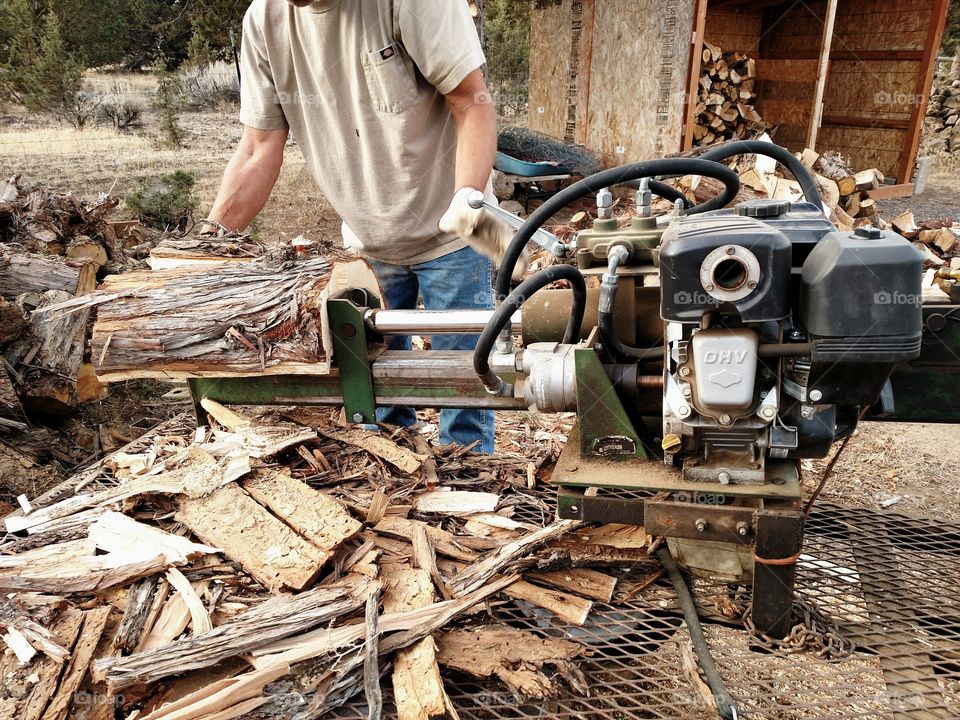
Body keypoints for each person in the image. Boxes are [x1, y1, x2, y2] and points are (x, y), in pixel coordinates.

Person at [201, 0, 526, 454]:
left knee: (465, 391)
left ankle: (468, 493)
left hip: (452, 237)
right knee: (378, 400)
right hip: (366, 245)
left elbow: (472, 101)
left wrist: (467, 199)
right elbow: (258, 148)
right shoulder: (264, 19)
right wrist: (207, 246)